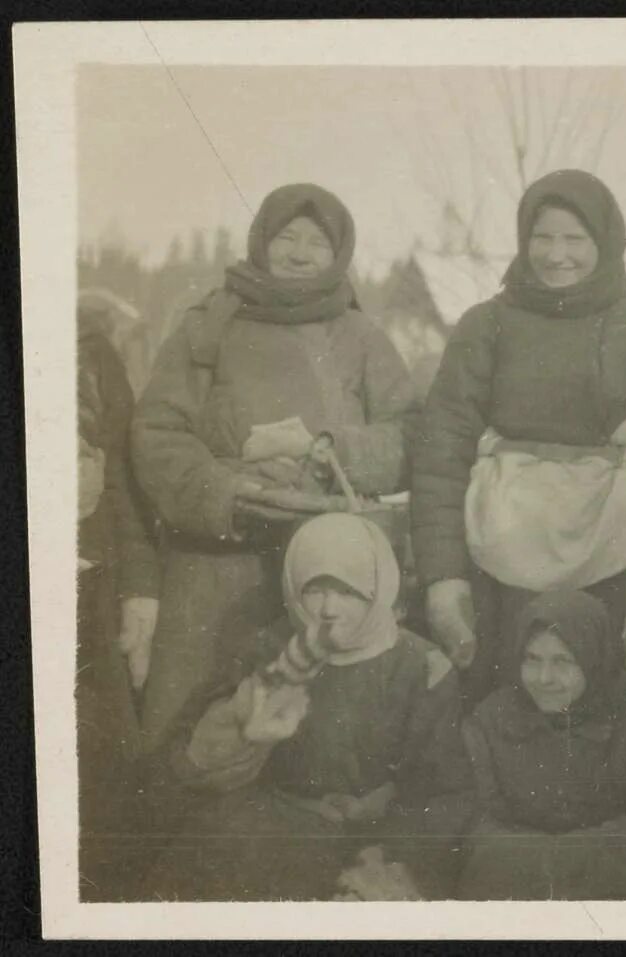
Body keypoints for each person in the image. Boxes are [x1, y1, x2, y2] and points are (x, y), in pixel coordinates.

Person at [131, 184, 416, 754]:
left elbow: (409, 435)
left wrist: (333, 453)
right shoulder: (207, 326)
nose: (300, 251)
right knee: (191, 734)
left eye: (317, 241)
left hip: (325, 569)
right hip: (214, 564)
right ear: (262, 241)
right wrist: (228, 494)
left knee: (308, 742)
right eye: (287, 236)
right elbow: (157, 434)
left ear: (339, 253)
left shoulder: (360, 336)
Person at [411, 170, 626, 703]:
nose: (556, 255)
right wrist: (442, 576)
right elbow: (442, 452)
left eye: (575, 239)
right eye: (542, 237)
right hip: (497, 557)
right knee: (503, 701)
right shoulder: (485, 327)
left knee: (596, 708)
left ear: (606, 242)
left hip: (610, 561)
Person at [142, 514, 473, 901]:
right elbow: (197, 753)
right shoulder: (269, 648)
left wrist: (391, 856)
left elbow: (442, 791)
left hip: (377, 839)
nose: (329, 609)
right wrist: (242, 727)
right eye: (315, 590)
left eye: (348, 592)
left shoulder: (422, 667)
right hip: (275, 829)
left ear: (379, 589)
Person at [456, 590, 626, 900]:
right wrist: (542, 864)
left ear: (594, 660)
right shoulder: (490, 721)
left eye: (563, 661)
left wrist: (571, 857)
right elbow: (472, 822)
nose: (544, 678)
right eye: (532, 659)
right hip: (516, 894)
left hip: (609, 895)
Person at [76, 294, 161, 898]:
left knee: (103, 745)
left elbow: (124, 481)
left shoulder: (93, 356)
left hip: (90, 570)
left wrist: (137, 586)